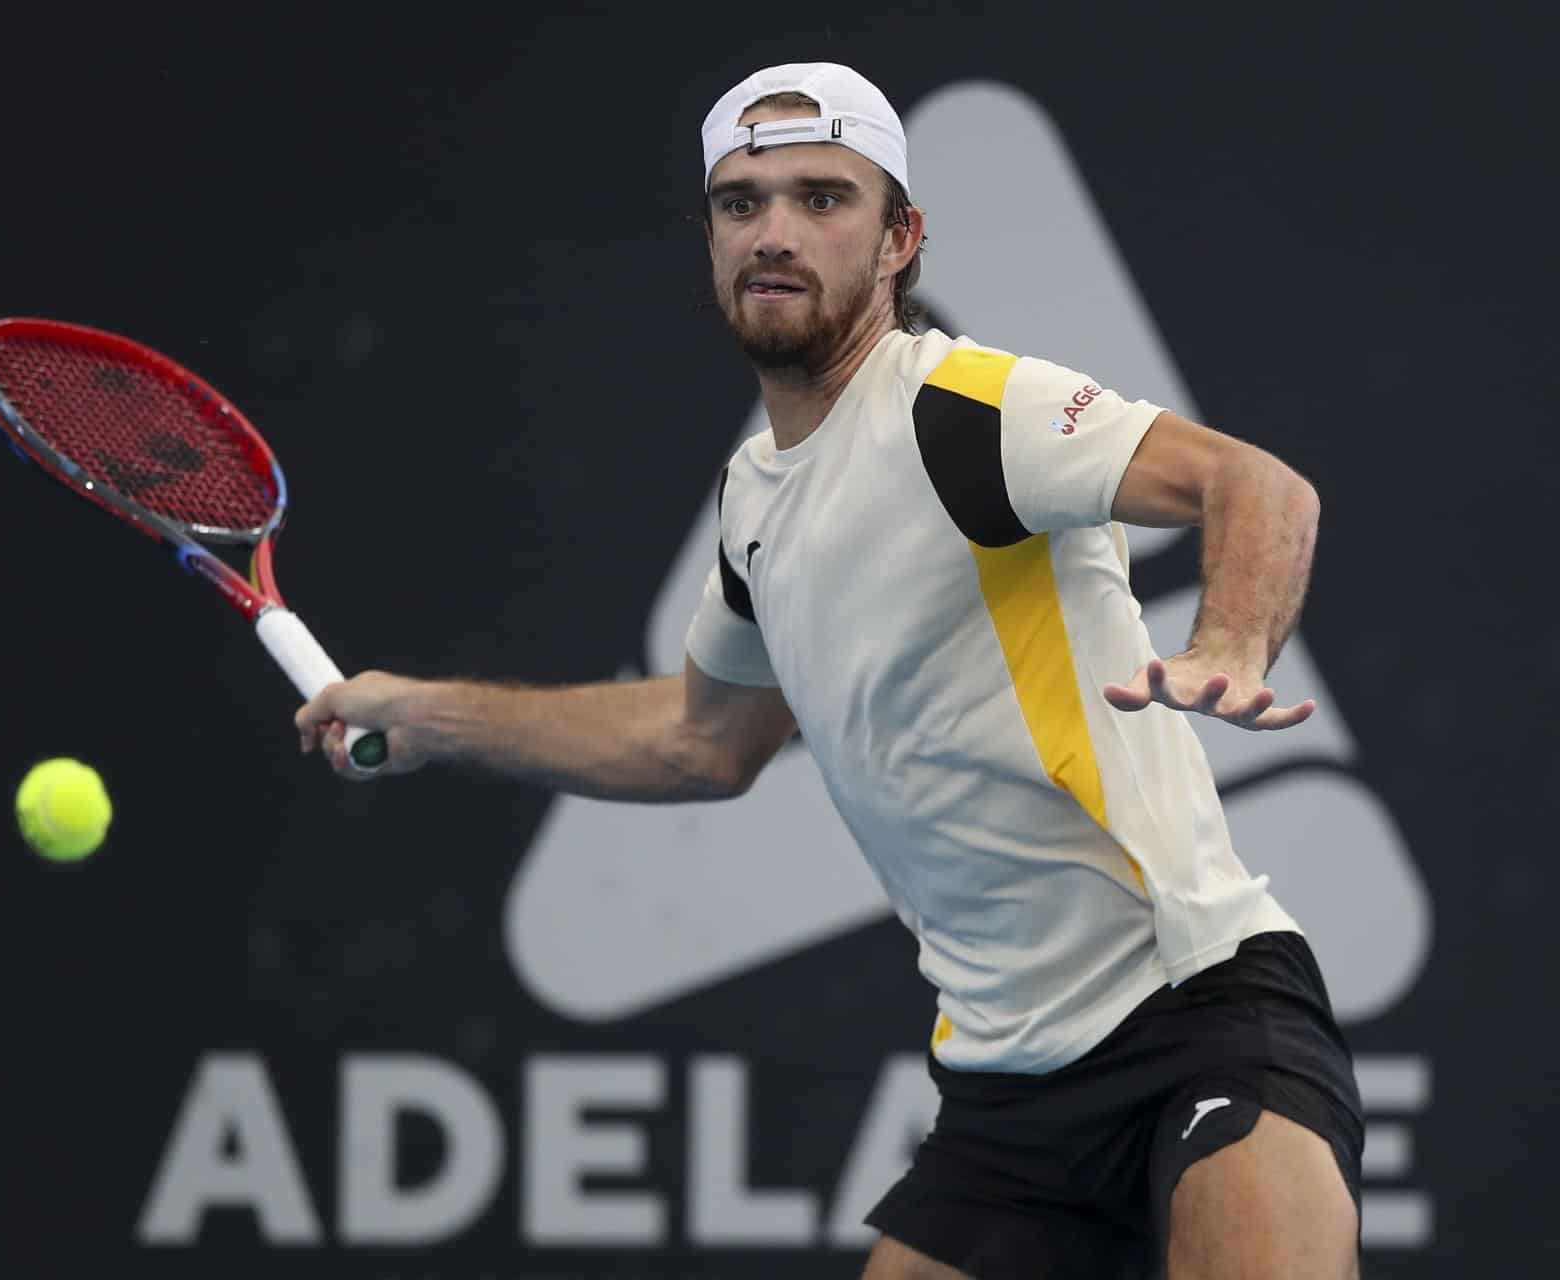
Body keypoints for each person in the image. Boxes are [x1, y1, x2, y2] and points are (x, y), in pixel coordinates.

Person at [295, 62, 1364, 1279]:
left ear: (901, 238)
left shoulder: (966, 408)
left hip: (1198, 1002)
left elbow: (1256, 484)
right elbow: (700, 741)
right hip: (1007, 1084)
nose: (777, 233)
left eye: (823, 197)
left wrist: (1228, 640)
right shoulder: (754, 502)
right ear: (707, 239)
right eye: (742, 203)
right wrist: (432, 717)